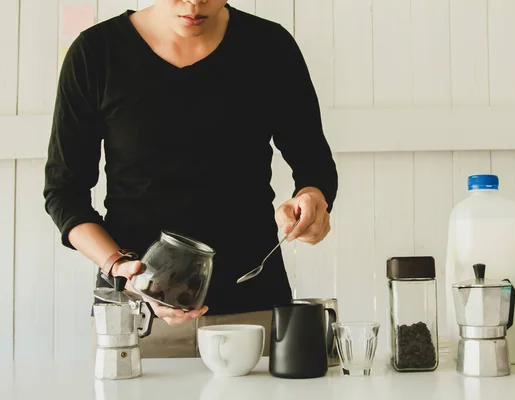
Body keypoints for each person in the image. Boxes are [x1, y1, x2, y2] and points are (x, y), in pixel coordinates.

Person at [43, 0, 338, 358]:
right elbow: (65, 194)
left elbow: (314, 165)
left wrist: (311, 200)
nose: (194, 5)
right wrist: (121, 268)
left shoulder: (269, 46)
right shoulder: (95, 52)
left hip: (254, 308)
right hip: (135, 317)